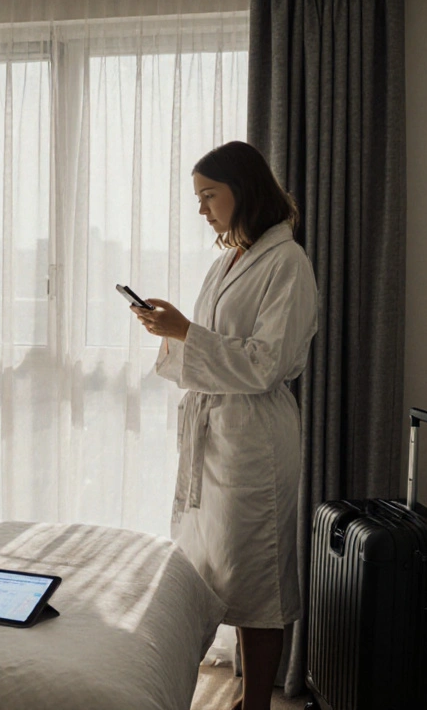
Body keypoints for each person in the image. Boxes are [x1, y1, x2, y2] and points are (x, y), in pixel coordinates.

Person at [132, 141, 317, 710]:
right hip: (217, 437)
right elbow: (207, 344)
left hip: (253, 442)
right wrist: (172, 329)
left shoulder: (287, 263)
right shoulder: (228, 260)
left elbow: (266, 361)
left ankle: (257, 701)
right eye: (198, 198)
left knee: (257, 573)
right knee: (224, 571)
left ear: (245, 190)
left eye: (209, 196)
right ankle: (243, 690)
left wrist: (186, 332)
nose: (202, 209)